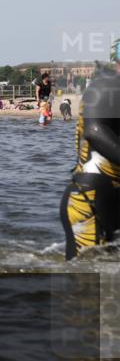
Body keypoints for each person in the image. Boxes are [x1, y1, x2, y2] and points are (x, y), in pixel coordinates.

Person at [60, 39, 120, 260]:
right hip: (90, 195)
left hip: (111, 195)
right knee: (87, 275)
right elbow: (95, 131)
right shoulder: (108, 86)